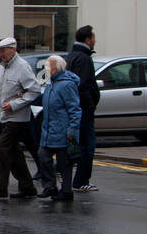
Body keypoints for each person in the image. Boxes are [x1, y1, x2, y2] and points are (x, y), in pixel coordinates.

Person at [0, 36, 42, 200]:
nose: (0, 54)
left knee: (1, 148)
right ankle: (27, 187)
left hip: (17, 118)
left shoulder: (22, 67)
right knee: (14, 153)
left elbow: (34, 91)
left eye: (3, 51)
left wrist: (15, 104)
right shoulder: (1, 68)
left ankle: (1, 187)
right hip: (5, 117)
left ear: (13, 49)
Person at [37, 55, 81, 203]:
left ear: (58, 67)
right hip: (49, 130)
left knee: (64, 164)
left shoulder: (66, 85)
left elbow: (74, 109)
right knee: (43, 156)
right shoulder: (51, 83)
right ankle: (50, 186)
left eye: (49, 66)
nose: (47, 69)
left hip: (62, 131)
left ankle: (66, 191)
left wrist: (72, 130)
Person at [66, 25, 100, 192]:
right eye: (93, 38)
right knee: (86, 145)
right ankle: (81, 180)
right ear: (87, 39)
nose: (95, 41)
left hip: (75, 107)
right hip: (83, 109)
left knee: (76, 144)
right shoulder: (84, 58)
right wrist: (90, 103)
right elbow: (83, 84)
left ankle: (63, 172)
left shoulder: (72, 55)